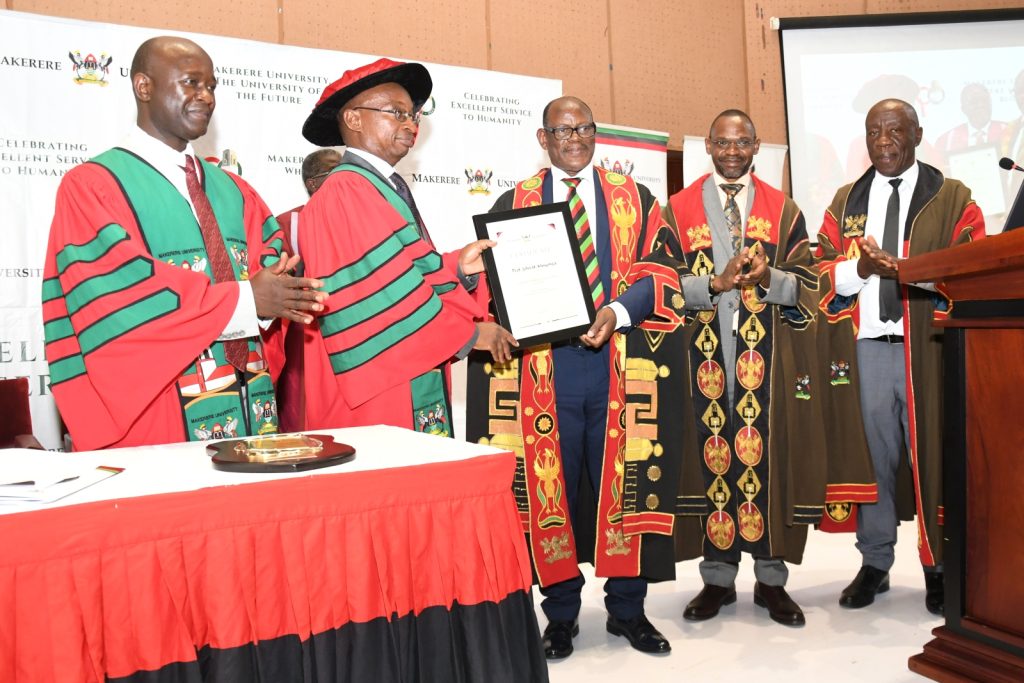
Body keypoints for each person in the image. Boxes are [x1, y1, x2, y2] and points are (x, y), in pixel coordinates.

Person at [467, 96, 689, 658]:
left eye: (585, 127)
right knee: (552, 488)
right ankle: (560, 614)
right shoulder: (512, 203)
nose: (575, 137)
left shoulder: (634, 198)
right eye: (563, 129)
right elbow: (493, 285)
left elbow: (664, 270)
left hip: (620, 364)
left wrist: (617, 310)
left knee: (625, 484)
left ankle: (628, 611)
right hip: (545, 370)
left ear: (595, 134)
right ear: (543, 138)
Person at [41, 36, 324, 451]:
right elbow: (117, 297)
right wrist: (244, 301)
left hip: (251, 408)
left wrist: (280, 290)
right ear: (143, 86)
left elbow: (272, 260)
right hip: (160, 415)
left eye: (211, 86)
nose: (205, 97)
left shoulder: (236, 191)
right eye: (191, 83)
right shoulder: (94, 186)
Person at [817, 98, 985, 615]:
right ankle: (875, 562)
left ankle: (939, 567)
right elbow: (819, 272)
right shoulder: (847, 201)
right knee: (872, 460)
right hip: (867, 350)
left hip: (927, 352)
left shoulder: (953, 196)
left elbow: (971, 262)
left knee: (931, 454)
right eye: (873, 131)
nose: (883, 140)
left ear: (916, 133)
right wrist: (863, 269)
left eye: (894, 130)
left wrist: (910, 270)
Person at [665, 110, 826, 627]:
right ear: (707, 146)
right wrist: (711, 283)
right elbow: (662, 284)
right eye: (722, 142)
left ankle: (772, 580)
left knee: (767, 461)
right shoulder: (679, 208)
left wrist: (770, 276)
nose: (732, 151)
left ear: (757, 147)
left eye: (742, 142)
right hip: (703, 360)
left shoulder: (784, 211)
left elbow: (810, 283)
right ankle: (716, 578)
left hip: (769, 363)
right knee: (715, 457)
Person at [298, 58, 515, 432]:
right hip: (380, 381)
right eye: (396, 113)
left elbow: (401, 266)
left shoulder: (378, 184)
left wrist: (457, 269)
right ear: (353, 119)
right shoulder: (346, 188)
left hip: (402, 370)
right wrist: (470, 333)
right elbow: (376, 289)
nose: (410, 125)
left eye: (413, 116)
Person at [274, 148, 342, 432]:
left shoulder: (364, 218)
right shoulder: (289, 223)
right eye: (334, 173)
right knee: (304, 416)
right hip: (307, 333)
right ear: (313, 184)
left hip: (356, 328)